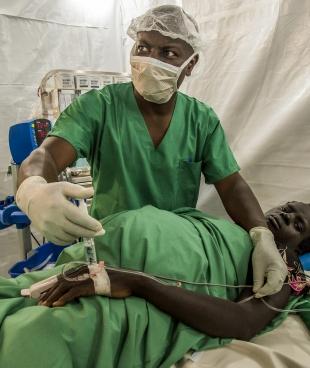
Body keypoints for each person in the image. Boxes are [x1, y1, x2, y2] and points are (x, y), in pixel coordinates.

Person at [16, 5, 286, 299]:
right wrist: (35, 189)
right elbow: (47, 155)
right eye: (143, 47)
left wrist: (262, 234)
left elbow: (231, 184)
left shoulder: (201, 120)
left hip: (172, 253)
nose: (150, 60)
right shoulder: (100, 107)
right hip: (112, 250)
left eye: (169, 53)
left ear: (191, 64)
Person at [0, 202, 309, 368]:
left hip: (139, 286)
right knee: (19, 292)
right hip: (106, 257)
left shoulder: (287, 267)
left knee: (35, 332)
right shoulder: (242, 225)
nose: (286, 217)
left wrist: (139, 283)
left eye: (298, 225)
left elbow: (243, 321)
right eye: (289, 208)